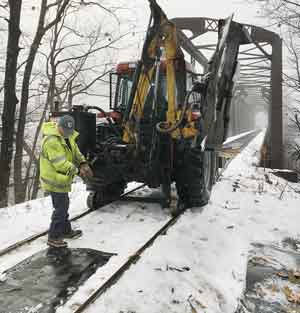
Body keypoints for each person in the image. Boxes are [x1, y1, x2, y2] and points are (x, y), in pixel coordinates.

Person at [39, 114, 93, 248]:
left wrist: (83, 163)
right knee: (60, 208)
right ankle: (53, 237)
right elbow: (60, 164)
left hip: (62, 179)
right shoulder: (51, 141)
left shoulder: (68, 137)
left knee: (64, 205)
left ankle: (65, 230)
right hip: (54, 179)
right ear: (59, 126)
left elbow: (76, 152)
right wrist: (78, 171)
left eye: (70, 131)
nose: (68, 133)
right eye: (65, 130)